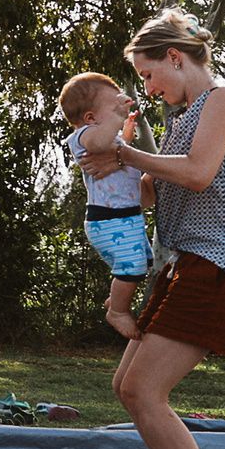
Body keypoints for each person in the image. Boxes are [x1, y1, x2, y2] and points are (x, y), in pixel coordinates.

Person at [85, 9, 225, 449]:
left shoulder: (222, 100)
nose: (147, 86)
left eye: (147, 74)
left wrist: (122, 151)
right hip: (188, 261)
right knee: (127, 387)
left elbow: (198, 172)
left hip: (223, 262)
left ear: (174, 57)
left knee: (145, 389)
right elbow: (162, 187)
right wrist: (117, 174)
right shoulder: (182, 117)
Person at [58, 71, 149, 338]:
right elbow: (99, 144)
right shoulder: (85, 135)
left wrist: (126, 135)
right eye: (114, 108)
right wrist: (118, 124)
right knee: (131, 268)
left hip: (125, 216)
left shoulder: (105, 136)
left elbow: (115, 148)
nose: (121, 110)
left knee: (141, 264)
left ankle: (116, 302)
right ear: (90, 118)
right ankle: (118, 311)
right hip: (109, 219)